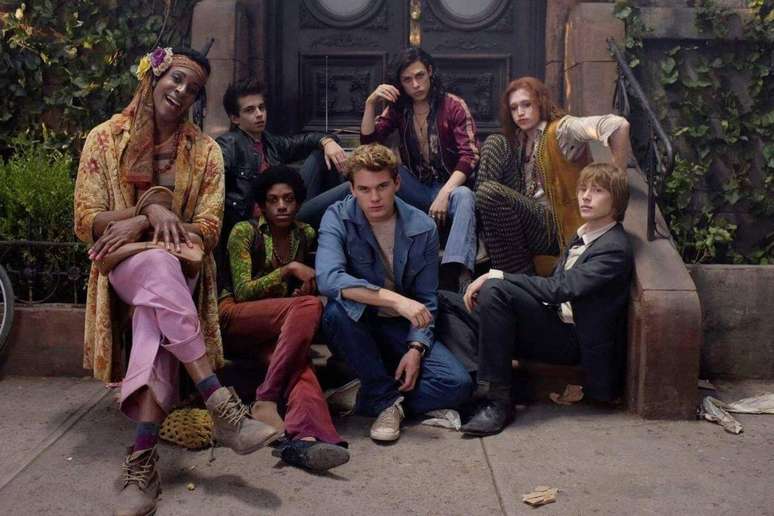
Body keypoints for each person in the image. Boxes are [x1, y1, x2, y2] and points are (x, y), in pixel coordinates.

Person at [74, 47, 279, 516]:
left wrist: (149, 222)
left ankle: (143, 464)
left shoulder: (205, 151)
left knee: (157, 308)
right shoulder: (105, 139)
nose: (182, 91)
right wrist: (148, 212)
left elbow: (208, 228)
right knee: (156, 272)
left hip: (179, 266)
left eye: (193, 88)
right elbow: (87, 220)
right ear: (154, 75)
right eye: (177, 79)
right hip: (123, 265)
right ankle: (219, 403)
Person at [438, 162, 633, 437]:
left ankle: (497, 401)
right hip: (549, 320)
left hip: (571, 338)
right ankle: (480, 378)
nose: (586, 196)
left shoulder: (614, 248)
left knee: (496, 289)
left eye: (598, 191)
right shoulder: (585, 235)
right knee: (444, 301)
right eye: (583, 189)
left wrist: (498, 274)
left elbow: (560, 288)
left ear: (617, 201)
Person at [316, 143, 472, 443]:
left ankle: (374, 397)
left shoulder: (422, 226)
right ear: (352, 189)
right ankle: (387, 399)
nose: (374, 198)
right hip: (358, 323)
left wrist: (416, 348)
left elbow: (426, 299)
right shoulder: (337, 217)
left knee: (457, 384)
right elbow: (328, 278)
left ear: (397, 183)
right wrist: (396, 301)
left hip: (401, 327)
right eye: (364, 189)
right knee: (336, 311)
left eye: (382, 186)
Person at [218, 165, 349, 472]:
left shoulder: (304, 234)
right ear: (261, 205)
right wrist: (288, 270)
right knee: (309, 306)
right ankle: (266, 397)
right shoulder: (244, 232)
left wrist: (299, 288)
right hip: (234, 319)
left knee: (298, 366)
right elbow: (243, 291)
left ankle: (306, 440)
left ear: (298, 202)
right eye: (273, 200)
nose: (281, 206)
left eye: (288, 199)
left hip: (274, 324)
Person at [475, 76, 632, 275]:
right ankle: (481, 237)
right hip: (523, 217)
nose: (520, 113)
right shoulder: (519, 141)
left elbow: (618, 125)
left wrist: (616, 183)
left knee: (489, 192)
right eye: (514, 108)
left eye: (526, 104)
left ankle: (506, 266)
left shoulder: (562, 130)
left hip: (553, 226)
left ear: (540, 103)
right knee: (494, 142)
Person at [360, 47, 480, 291]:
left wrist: (445, 194)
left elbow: (470, 156)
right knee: (383, 176)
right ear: (400, 83)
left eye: (420, 76)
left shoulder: (453, 105)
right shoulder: (399, 109)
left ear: (430, 72)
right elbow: (369, 143)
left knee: (465, 196)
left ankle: (456, 272)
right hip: (417, 186)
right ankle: (375, 260)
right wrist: (370, 104)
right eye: (407, 80)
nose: (415, 85)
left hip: (450, 186)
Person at [216, 78, 349, 239]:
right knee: (351, 188)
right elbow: (214, 188)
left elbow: (305, 140)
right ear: (235, 118)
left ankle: (335, 229)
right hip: (265, 224)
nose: (259, 114)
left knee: (320, 154)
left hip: (286, 206)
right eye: (250, 110)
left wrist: (327, 142)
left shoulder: (269, 142)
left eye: (261, 107)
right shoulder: (228, 145)